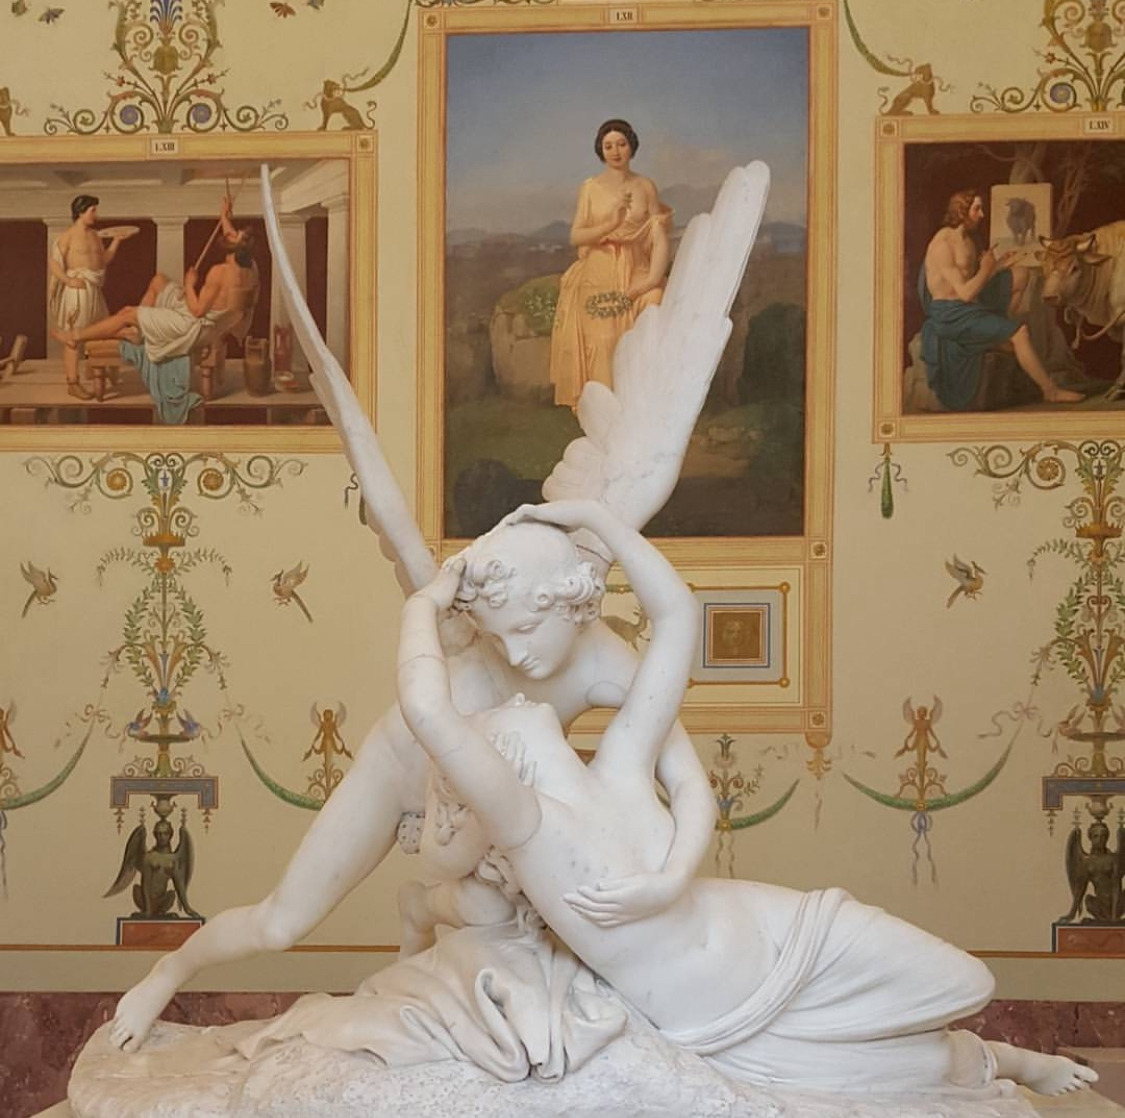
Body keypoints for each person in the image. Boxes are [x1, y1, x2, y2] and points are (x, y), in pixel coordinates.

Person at [396, 498, 1098, 1097]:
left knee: (966, 980)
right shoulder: (526, 823)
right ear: (499, 765)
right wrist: (424, 604)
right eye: (498, 720)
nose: (516, 685)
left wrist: (595, 519)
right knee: (912, 1057)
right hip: (714, 1001)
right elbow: (427, 708)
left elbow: (677, 615)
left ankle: (991, 1058)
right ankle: (1002, 1060)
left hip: (774, 924)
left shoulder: (619, 764)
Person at [106, 518, 715, 1053]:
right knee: (280, 924)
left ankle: (422, 910)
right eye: (496, 637)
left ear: (567, 603)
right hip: (399, 770)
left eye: (527, 628)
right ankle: (169, 972)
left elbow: (687, 782)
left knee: (505, 908)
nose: (513, 653)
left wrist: (672, 877)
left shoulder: (611, 664)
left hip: (473, 805)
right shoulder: (475, 641)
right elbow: (427, 695)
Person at [920, 188, 1083, 410]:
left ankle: (1000, 328)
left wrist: (998, 266)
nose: (982, 215)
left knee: (1021, 274)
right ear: (961, 211)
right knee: (1020, 334)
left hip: (969, 307)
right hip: (951, 314)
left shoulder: (968, 240)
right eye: (977, 209)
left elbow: (974, 280)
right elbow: (966, 293)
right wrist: (987, 268)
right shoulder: (943, 245)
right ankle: (1050, 391)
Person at [548, 119, 673, 408]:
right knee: (604, 341)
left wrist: (651, 279)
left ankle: (643, 404)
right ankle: (604, 412)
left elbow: (658, 236)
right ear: (601, 151)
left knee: (654, 303)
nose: (615, 151)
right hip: (599, 269)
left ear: (631, 146)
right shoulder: (590, 188)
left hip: (637, 268)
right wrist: (611, 223)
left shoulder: (645, 186)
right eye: (608, 146)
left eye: (621, 144)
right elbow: (576, 236)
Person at [52, 195, 258, 367]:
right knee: (159, 281)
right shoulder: (250, 268)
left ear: (235, 247)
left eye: (234, 235)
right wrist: (224, 216)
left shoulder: (219, 272)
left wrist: (189, 284)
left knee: (127, 313)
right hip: (209, 321)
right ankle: (139, 330)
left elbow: (197, 311)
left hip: (194, 326)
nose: (230, 233)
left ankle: (75, 336)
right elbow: (230, 236)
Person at [48, 194, 129, 400]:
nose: (96, 215)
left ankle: (97, 369)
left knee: (101, 330)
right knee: (73, 338)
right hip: (77, 291)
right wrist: (68, 280)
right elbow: (54, 263)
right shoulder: (68, 236)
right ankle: (72, 383)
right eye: (93, 210)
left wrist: (116, 242)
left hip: (93, 290)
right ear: (80, 212)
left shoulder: (95, 235)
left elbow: (103, 260)